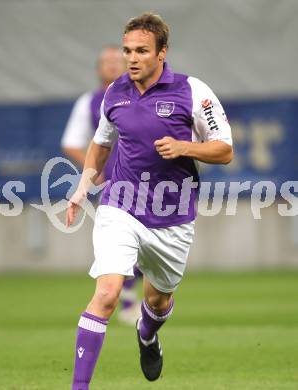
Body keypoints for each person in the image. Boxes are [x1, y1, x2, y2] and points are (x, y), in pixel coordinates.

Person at [66, 12, 233, 390]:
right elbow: (100, 144)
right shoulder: (115, 93)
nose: (132, 58)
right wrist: (83, 185)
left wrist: (184, 147)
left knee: (157, 302)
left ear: (162, 53)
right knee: (107, 294)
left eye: (141, 50)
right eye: (127, 50)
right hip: (120, 205)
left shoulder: (192, 91)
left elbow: (225, 150)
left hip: (172, 217)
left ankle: (147, 334)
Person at [61, 46, 142, 325]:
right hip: (114, 185)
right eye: (106, 62)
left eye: (116, 60)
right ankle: (128, 301)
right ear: (98, 69)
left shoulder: (146, 95)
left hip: (150, 181)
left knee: (146, 242)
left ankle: (135, 301)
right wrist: (94, 172)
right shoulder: (90, 102)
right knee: (121, 243)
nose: (112, 65)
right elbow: (72, 142)